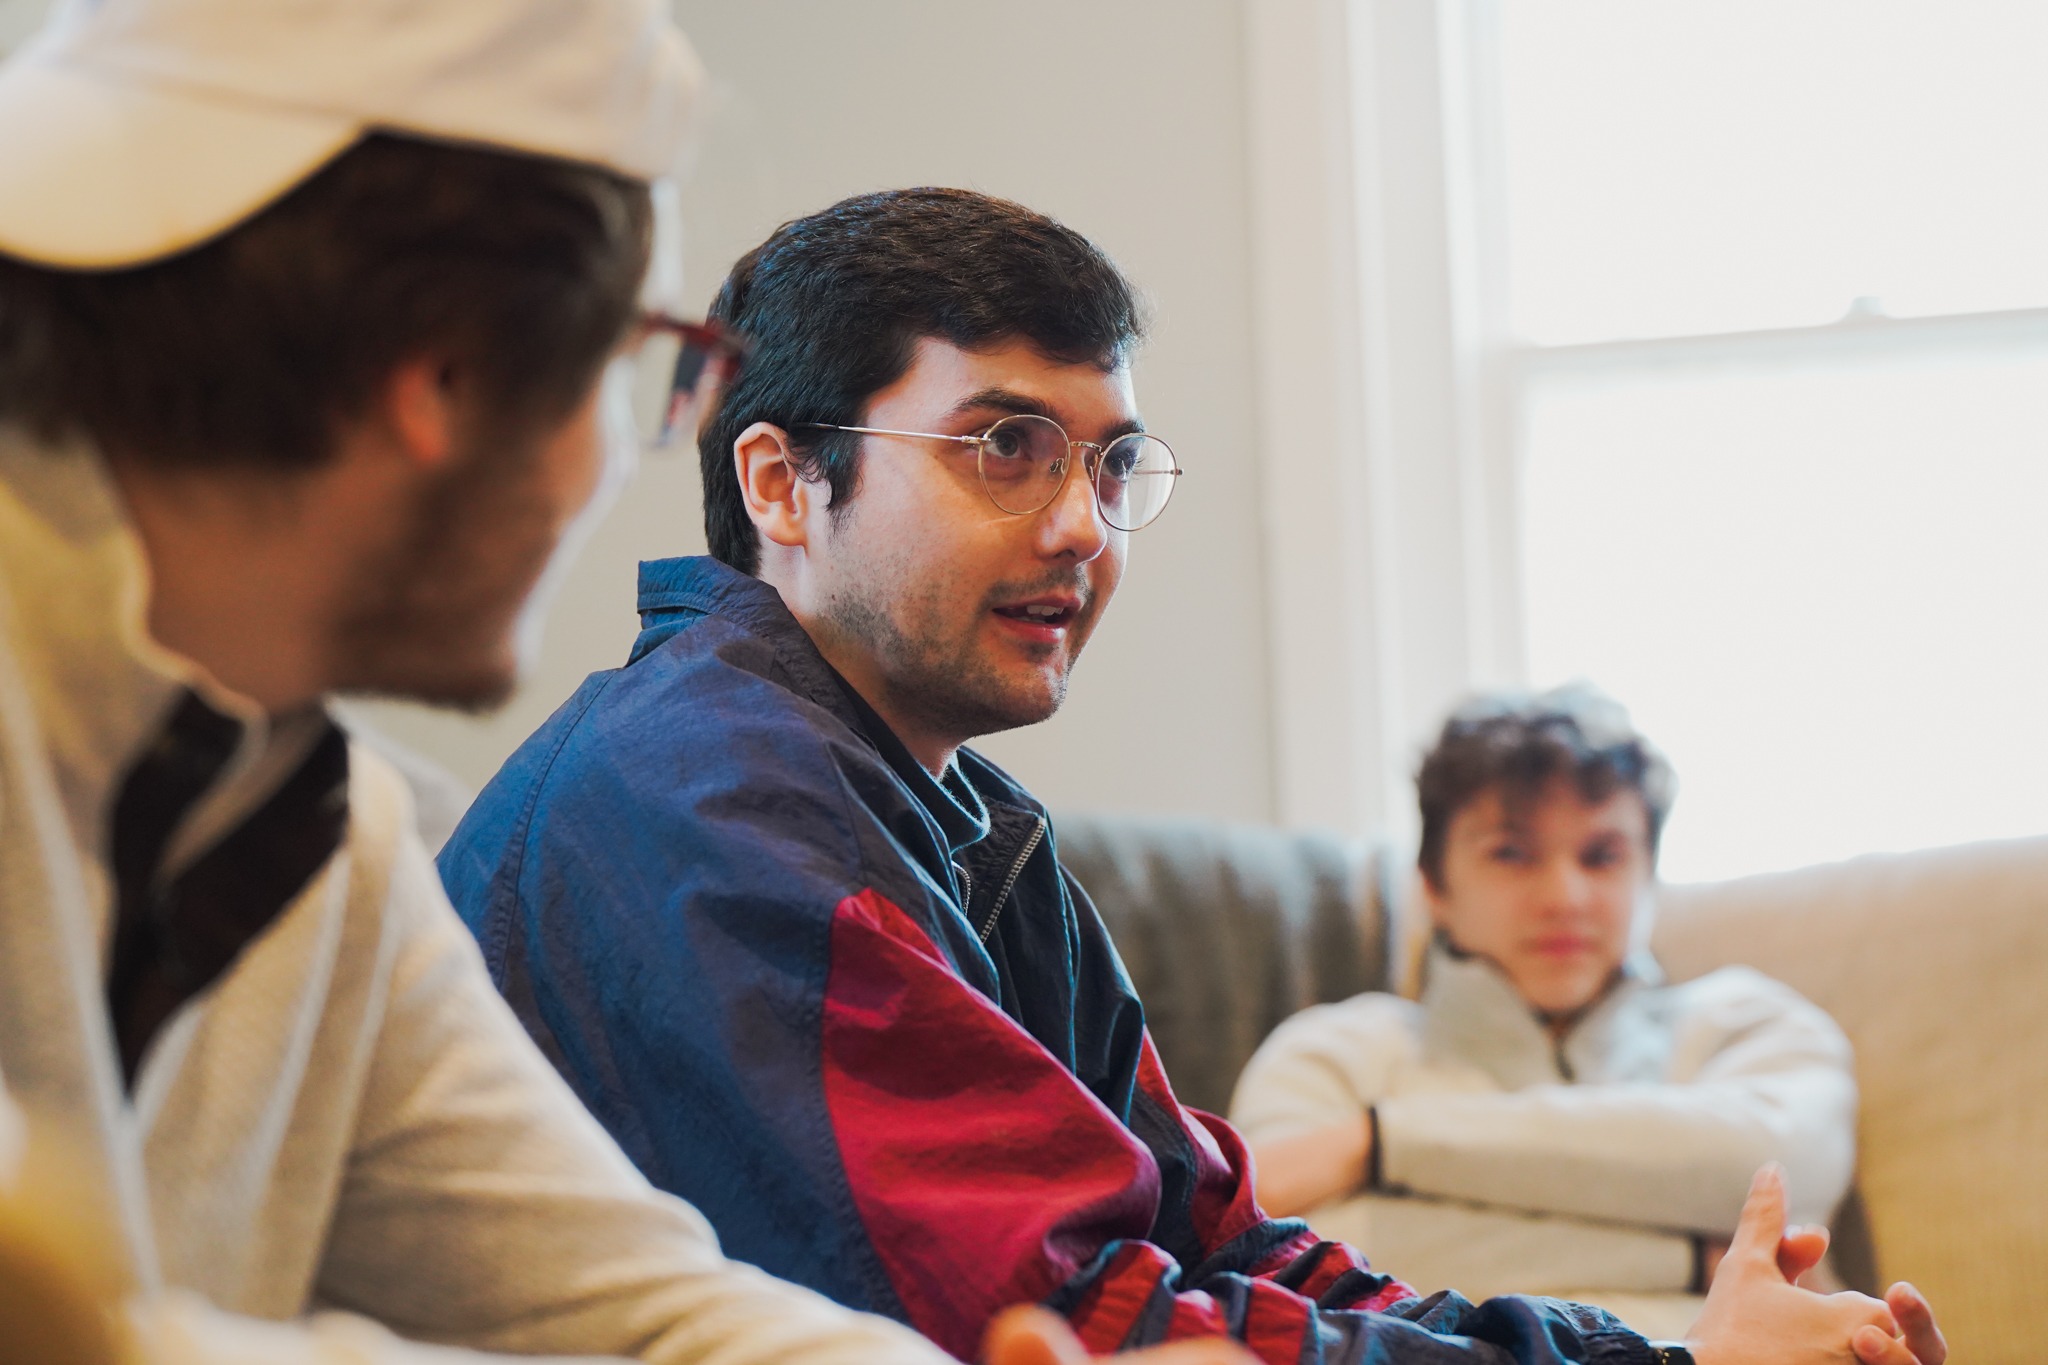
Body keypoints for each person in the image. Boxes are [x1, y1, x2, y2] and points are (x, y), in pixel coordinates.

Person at [438, 188, 1944, 1365]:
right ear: (780, 481)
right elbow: (1073, 1323)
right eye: (1003, 446)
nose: (1085, 527)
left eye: (1108, 463)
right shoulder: (708, 801)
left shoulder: (968, 829)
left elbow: (1223, 1238)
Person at [0, 4, 1163, 1363]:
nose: (624, 461)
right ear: (442, 376)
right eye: (638, 374)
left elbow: (628, 1302)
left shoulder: (332, 841)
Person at [1228, 687, 1858, 1340]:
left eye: (1603, 855)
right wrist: (1686, 1258)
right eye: (1512, 853)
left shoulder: (1750, 1025)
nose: (1565, 894)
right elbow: (1295, 1266)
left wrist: (1381, 1143)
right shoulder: (1331, 1055)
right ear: (1433, 886)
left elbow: (1780, 1173)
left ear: (1649, 877)